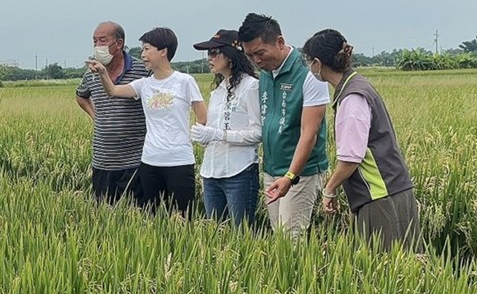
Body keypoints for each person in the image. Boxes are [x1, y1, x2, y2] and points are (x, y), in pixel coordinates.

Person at [302, 29, 422, 251]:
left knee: (387, 268)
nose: (309, 68)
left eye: (308, 62)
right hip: (391, 191)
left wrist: (330, 189)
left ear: (318, 63)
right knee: (404, 264)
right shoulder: (356, 84)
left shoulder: (352, 97)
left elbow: (351, 158)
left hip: (380, 196)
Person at [87, 27, 207, 217]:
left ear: (163, 51)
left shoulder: (184, 81)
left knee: (183, 217)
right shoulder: (144, 84)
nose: (142, 54)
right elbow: (113, 91)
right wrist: (102, 72)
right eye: (142, 50)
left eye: (147, 49)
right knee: (151, 216)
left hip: (179, 160)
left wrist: (196, 136)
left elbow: (201, 114)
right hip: (150, 161)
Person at [238, 13, 330, 239]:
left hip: (301, 172)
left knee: (291, 239)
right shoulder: (266, 74)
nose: (256, 61)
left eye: (260, 53)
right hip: (272, 169)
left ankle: (299, 275)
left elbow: (310, 133)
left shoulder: (310, 75)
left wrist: (291, 176)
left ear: (279, 42)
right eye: (250, 56)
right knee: (279, 235)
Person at [190, 29, 261, 227]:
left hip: (239, 172)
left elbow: (257, 133)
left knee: (242, 233)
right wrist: (205, 138)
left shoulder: (251, 87)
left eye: (214, 53)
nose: (209, 58)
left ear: (231, 54)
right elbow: (213, 130)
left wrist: (217, 134)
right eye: (208, 54)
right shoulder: (217, 92)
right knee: (215, 232)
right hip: (211, 172)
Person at [76, 21, 149, 204]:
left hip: (135, 161)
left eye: (102, 40)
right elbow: (81, 96)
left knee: (136, 216)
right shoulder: (91, 73)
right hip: (103, 160)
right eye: (94, 41)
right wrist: (95, 116)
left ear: (119, 43)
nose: (97, 46)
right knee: (105, 216)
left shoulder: (142, 70)